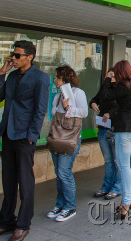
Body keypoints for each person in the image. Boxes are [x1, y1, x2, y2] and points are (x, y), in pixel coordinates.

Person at [0, 41, 49, 241]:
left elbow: (40, 109)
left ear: (30, 57)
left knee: (25, 183)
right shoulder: (10, 76)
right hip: (8, 134)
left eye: (18, 55)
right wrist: (2, 73)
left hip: (24, 137)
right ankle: (6, 223)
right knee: (8, 182)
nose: (14, 58)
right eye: (13, 55)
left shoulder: (40, 78)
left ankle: (23, 224)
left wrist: (31, 136)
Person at [46, 65, 88, 222]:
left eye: (57, 77)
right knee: (59, 174)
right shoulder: (57, 96)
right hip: (57, 137)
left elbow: (83, 112)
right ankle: (60, 204)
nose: (55, 80)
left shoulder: (78, 93)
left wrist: (68, 108)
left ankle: (70, 207)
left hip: (70, 138)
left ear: (63, 78)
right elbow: (53, 115)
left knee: (64, 172)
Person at [104, 60, 131, 220]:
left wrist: (107, 79)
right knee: (124, 165)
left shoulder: (124, 86)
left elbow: (106, 96)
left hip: (125, 129)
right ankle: (127, 200)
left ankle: (127, 201)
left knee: (123, 166)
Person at [90, 69, 122, 201]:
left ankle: (117, 187)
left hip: (114, 129)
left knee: (116, 160)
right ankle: (106, 186)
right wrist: (92, 103)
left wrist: (110, 114)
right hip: (103, 128)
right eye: (109, 76)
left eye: (113, 76)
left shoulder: (120, 89)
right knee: (108, 161)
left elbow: (121, 106)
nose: (111, 78)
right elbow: (96, 98)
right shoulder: (105, 89)